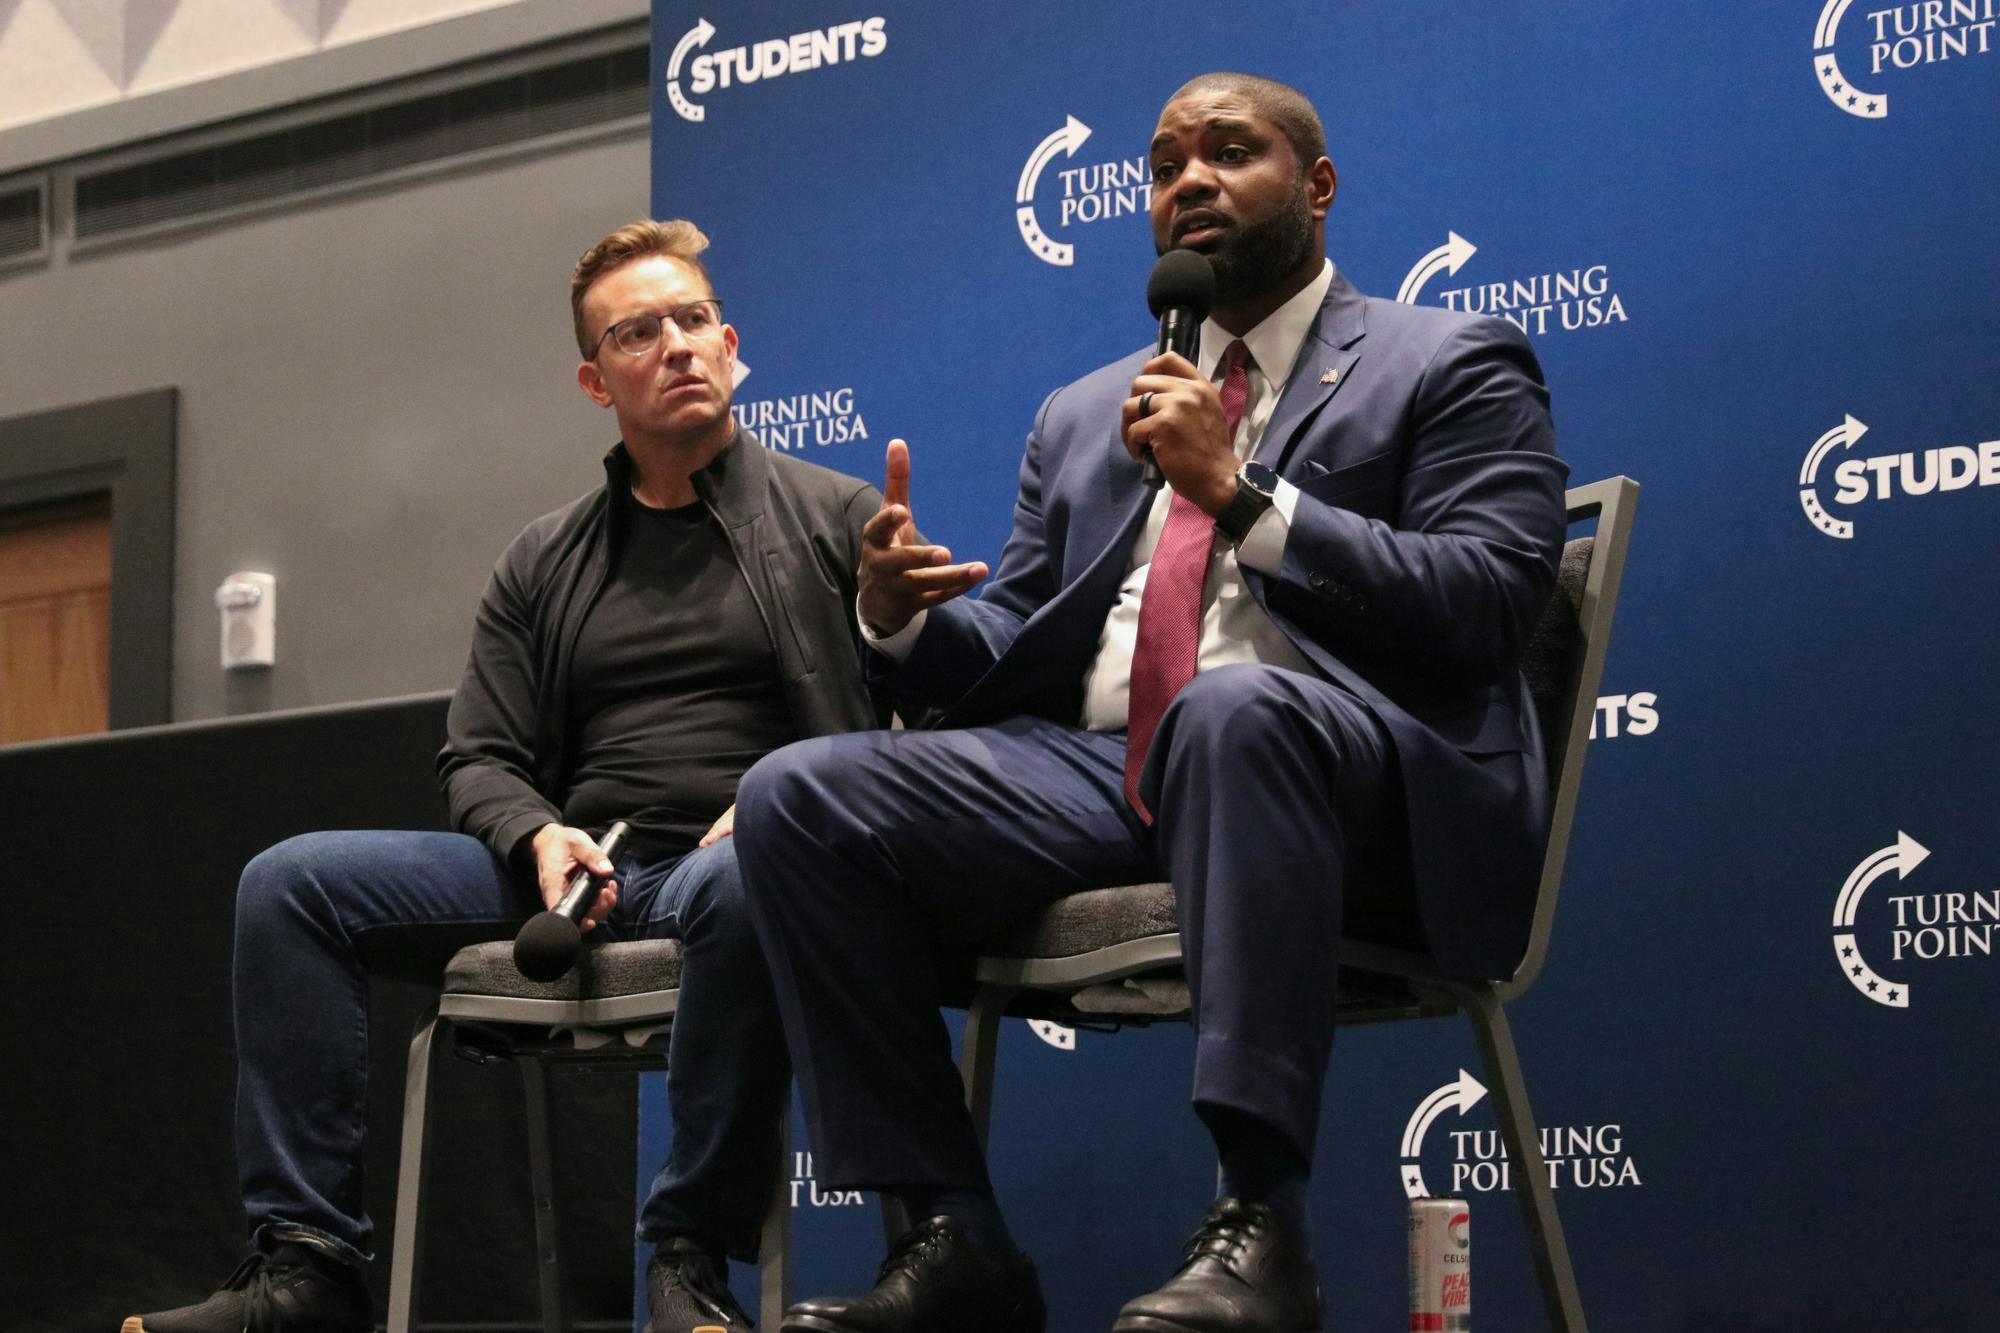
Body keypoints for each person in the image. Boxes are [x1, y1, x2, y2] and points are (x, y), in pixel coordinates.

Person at [733, 72, 1568, 1333]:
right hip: (1101, 771)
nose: (1190, 183)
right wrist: (899, 619)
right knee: (798, 794)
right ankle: (951, 1237)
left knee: (1229, 712)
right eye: (1166, 165)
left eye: (1230, 152)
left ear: (1317, 187)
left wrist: (1242, 496)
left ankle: (1259, 1226)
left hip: (1345, 778)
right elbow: (1013, 643)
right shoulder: (1085, 412)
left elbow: (1489, 600)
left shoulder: (1445, 360)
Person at [125, 220, 887, 1333]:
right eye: (638, 332)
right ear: (595, 381)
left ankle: (685, 1262)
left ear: (731, 347)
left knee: (745, 875)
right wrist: (537, 835)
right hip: (581, 874)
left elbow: (903, 732)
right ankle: (307, 1269)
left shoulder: (838, 517)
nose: (675, 345)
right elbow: (476, 752)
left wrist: (782, 803)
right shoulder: (545, 557)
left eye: (692, 321)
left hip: (730, 865)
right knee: (290, 884)